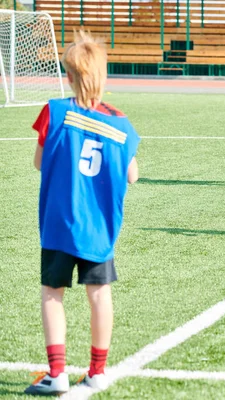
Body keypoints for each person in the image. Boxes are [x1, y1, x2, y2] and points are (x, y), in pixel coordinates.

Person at [25, 30, 140, 396]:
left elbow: (40, 162)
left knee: (52, 292)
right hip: (99, 228)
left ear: (70, 76)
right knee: (100, 294)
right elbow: (133, 175)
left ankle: (56, 372)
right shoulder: (121, 124)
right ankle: (97, 370)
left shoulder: (55, 111)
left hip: (59, 224)